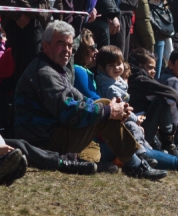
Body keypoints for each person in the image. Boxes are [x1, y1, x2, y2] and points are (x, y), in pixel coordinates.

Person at [12, 20, 165, 179]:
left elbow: (81, 99)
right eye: (61, 43)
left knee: (105, 107)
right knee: (105, 108)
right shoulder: (45, 72)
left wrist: (116, 109)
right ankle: (137, 163)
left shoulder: (55, 68)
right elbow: (69, 112)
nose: (67, 50)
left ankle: (133, 159)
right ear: (46, 45)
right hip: (41, 145)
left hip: (51, 137)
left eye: (70, 45)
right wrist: (110, 110)